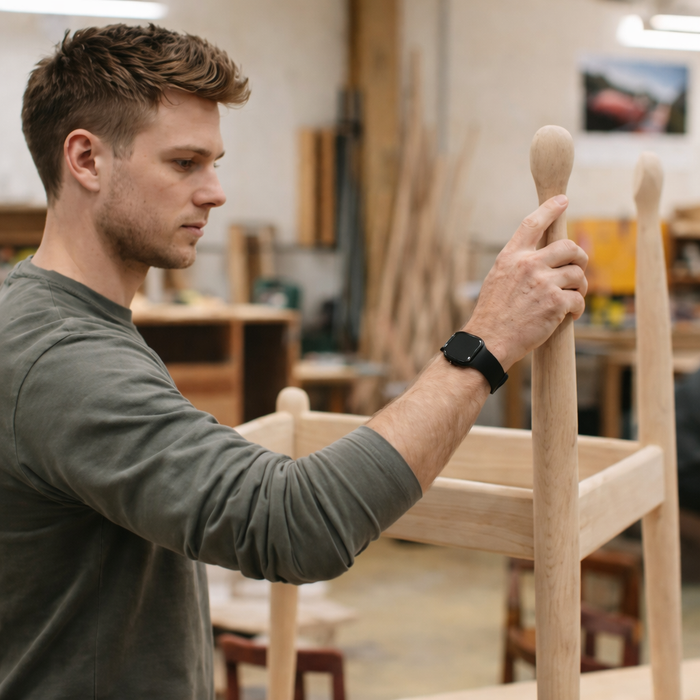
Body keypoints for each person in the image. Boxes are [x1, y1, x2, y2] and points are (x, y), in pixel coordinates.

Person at [0, 24, 588, 700]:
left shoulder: (56, 320)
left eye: (214, 162)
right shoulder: (63, 360)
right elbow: (291, 525)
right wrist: (486, 343)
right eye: (185, 163)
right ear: (86, 160)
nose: (215, 191)